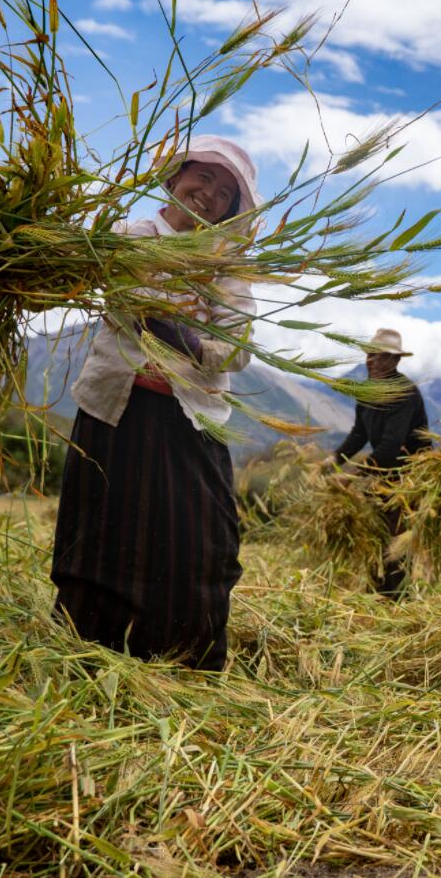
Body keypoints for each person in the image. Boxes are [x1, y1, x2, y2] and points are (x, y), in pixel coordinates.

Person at [51, 135, 259, 671]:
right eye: (203, 176)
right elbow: (70, 272)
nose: (209, 193)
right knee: (103, 527)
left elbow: (238, 349)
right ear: (175, 177)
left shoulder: (227, 263)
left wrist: (179, 337)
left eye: (225, 191)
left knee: (203, 538)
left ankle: (182, 658)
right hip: (115, 410)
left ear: (232, 210)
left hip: (188, 419)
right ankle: (90, 649)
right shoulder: (125, 237)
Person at [332, 327, 431, 596]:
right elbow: (359, 433)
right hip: (382, 473)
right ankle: (378, 594)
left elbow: (389, 448)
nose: (370, 360)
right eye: (369, 354)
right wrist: (332, 463)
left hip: (409, 474)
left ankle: (397, 599)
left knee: (397, 536)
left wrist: (352, 473)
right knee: (376, 533)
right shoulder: (367, 392)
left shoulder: (404, 393)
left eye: (378, 356)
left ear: (394, 361)